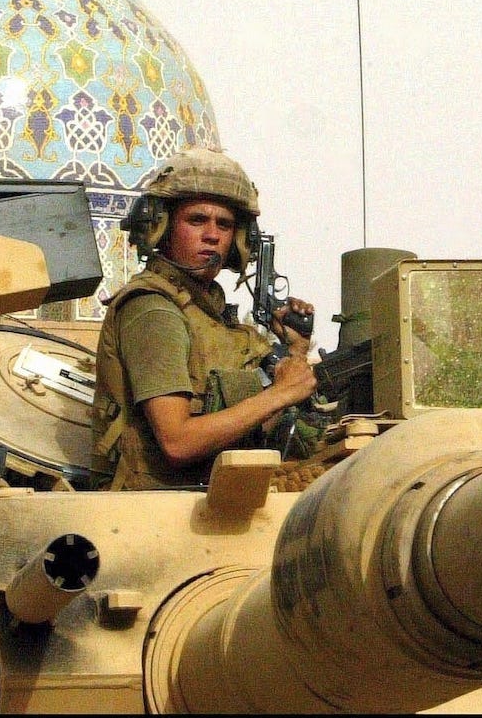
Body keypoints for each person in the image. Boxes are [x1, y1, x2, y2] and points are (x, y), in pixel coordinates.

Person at [89, 147, 318, 491]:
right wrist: (280, 394)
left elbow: (257, 421)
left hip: (212, 498)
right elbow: (177, 442)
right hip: (157, 509)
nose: (212, 234)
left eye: (224, 225)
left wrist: (294, 353)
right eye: (196, 220)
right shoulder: (153, 310)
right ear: (161, 228)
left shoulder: (213, 316)